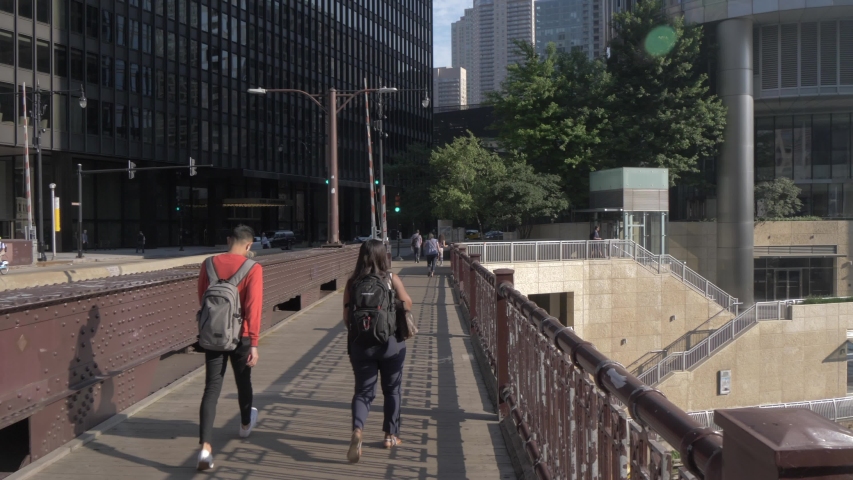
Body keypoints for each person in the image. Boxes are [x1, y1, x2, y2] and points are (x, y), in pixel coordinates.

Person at [195, 225, 264, 471]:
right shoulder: (253, 268)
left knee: (211, 388)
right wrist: (254, 343)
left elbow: (203, 297)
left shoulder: (208, 264)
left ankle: (205, 448)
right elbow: (253, 308)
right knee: (243, 382)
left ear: (228, 240)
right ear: (249, 244)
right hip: (241, 336)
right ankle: (245, 424)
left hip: (213, 334)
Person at [343, 240, 412, 463]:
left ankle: (357, 430)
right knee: (392, 390)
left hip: (361, 345)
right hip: (391, 345)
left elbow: (346, 317)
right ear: (384, 256)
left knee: (363, 391)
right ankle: (390, 436)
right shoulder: (391, 279)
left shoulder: (352, 282)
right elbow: (407, 304)